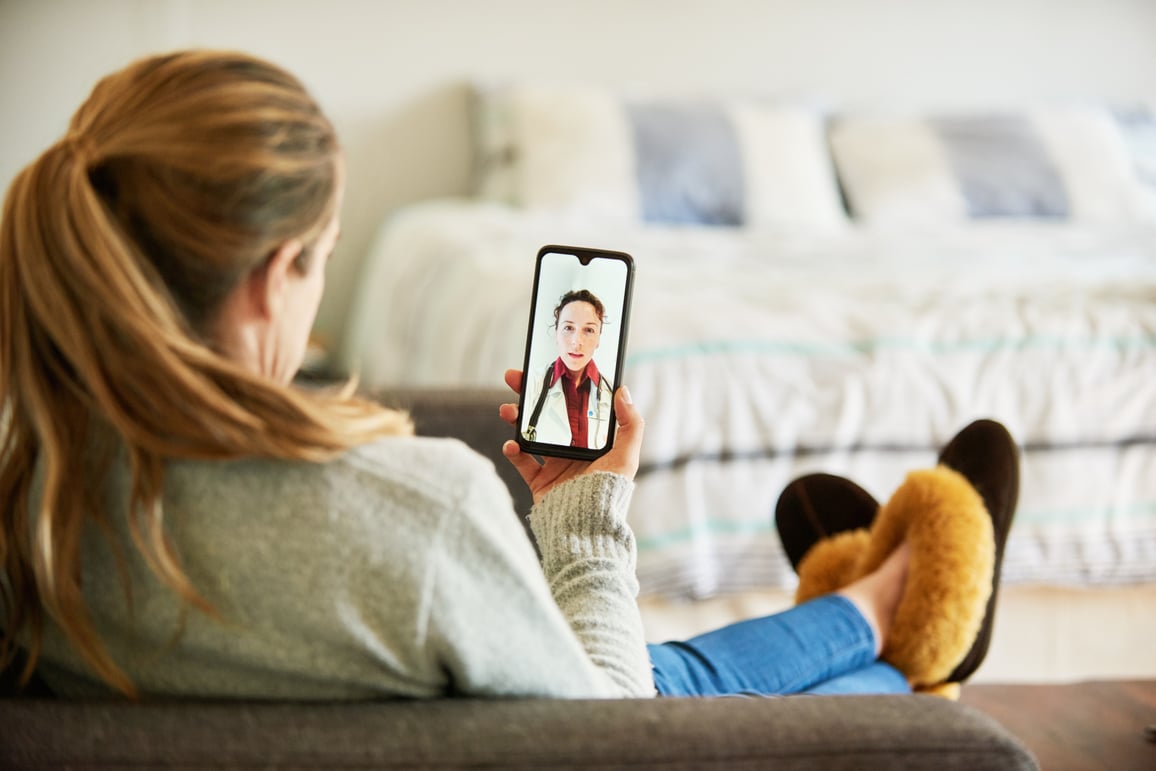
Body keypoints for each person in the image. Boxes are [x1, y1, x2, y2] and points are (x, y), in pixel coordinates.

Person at [0, 50, 1016, 701]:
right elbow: (615, 736)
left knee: (685, 667)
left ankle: (862, 591)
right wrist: (585, 511)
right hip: (572, 724)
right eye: (329, 253)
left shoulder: (29, 490)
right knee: (729, 684)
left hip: (443, 690)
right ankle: (898, 615)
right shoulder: (420, 512)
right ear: (274, 278)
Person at [520, 289, 614, 450]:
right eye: (568, 328)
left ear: (599, 339)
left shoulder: (613, 392)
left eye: (589, 330)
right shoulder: (532, 383)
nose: (576, 342)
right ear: (556, 333)